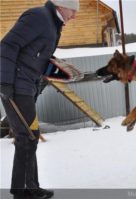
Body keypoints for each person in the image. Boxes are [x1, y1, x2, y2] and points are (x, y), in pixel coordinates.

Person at [0, 1, 79, 198]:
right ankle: (23, 192)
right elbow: (7, 45)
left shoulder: (52, 23)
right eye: (73, 10)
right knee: (27, 137)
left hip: (27, 86)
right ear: (61, 6)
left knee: (29, 137)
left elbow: (35, 58)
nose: (75, 16)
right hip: (17, 87)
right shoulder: (39, 17)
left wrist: (56, 69)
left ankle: (30, 188)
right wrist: (4, 82)